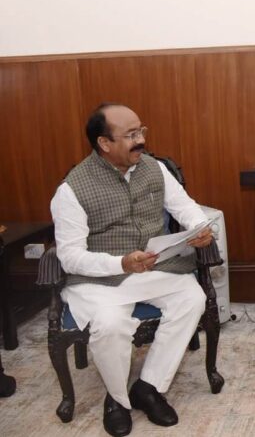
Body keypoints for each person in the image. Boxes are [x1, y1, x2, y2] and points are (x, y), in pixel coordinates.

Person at [50, 103, 214, 436]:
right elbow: (70, 257)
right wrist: (120, 263)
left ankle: (148, 387)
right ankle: (117, 400)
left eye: (141, 131)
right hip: (100, 279)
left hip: (153, 267)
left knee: (192, 298)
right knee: (110, 324)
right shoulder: (72, 189)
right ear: (104, 143)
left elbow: (186, 207)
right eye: (130, 135)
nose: (141, 140)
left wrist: (199, 228)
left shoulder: (154, 168)